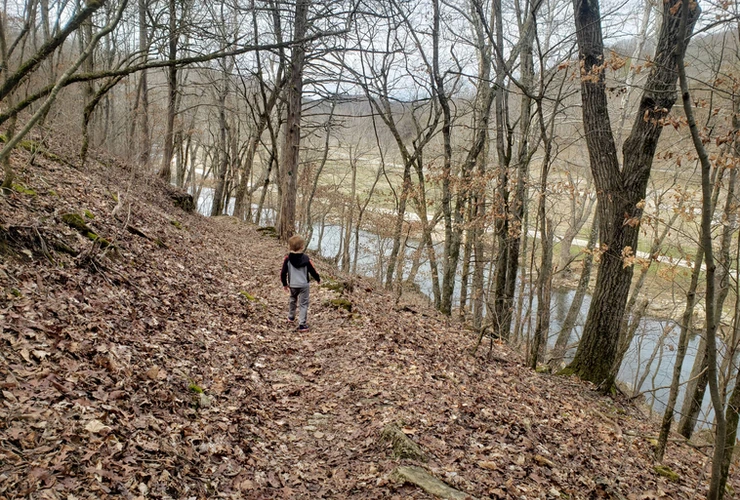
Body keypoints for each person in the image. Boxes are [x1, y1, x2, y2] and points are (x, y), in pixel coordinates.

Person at [280, 235, 321, 331]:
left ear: (290, 247)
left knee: (292, 299)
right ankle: (302, 324)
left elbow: (283, 272)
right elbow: (312, 271)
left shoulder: (288, 259)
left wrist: (284, 284)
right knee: (303, 304)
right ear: (302, 247)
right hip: (304, 285)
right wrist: (318, 279)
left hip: (293, 284)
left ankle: (291, 317)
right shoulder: (306, 259)